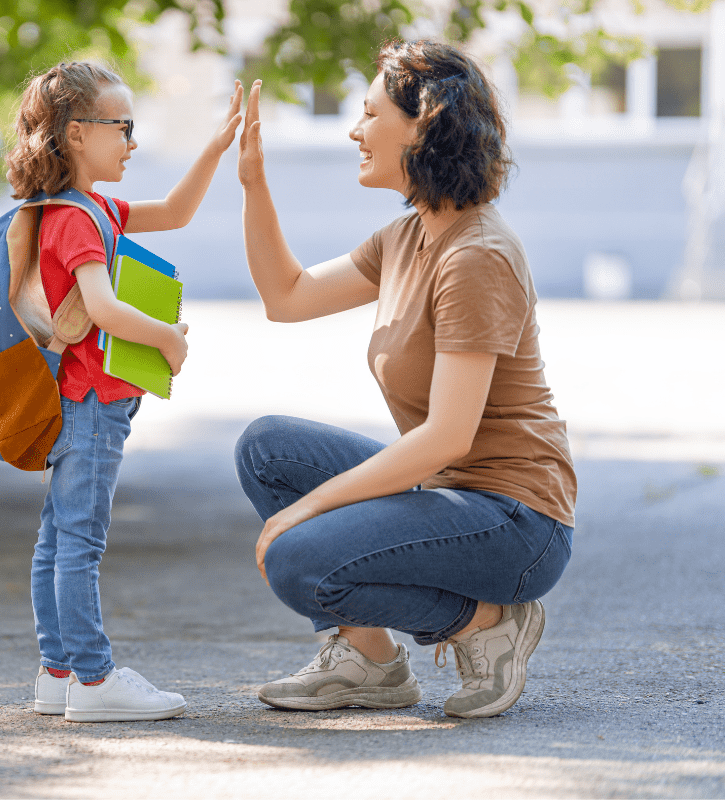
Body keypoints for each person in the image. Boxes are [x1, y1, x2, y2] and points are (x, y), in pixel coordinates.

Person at [233, 40, 577, 719]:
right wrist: (253, 182)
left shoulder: (477, 255)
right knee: (267, 447)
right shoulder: (407, 237)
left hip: (516, 522)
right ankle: (371, 662)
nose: (354, 130)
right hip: (454, 494)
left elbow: (446, 436)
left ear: (424, 124)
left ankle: (486, 622)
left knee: (300, 560)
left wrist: (306, 509)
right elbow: (288, 296)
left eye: (369, 113)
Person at [5, 62, 243, 722]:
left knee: (56, 539)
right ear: (78, 134)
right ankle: (94, 678)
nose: (132, 143)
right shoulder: (79, 220)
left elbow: (174, 212)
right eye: (124, 128)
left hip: (72, 401)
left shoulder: (82, 209)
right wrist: (168, 339)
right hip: (90, 403)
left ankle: (59, 673)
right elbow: (103, 308)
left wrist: (217, 146)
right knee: (79, 543)